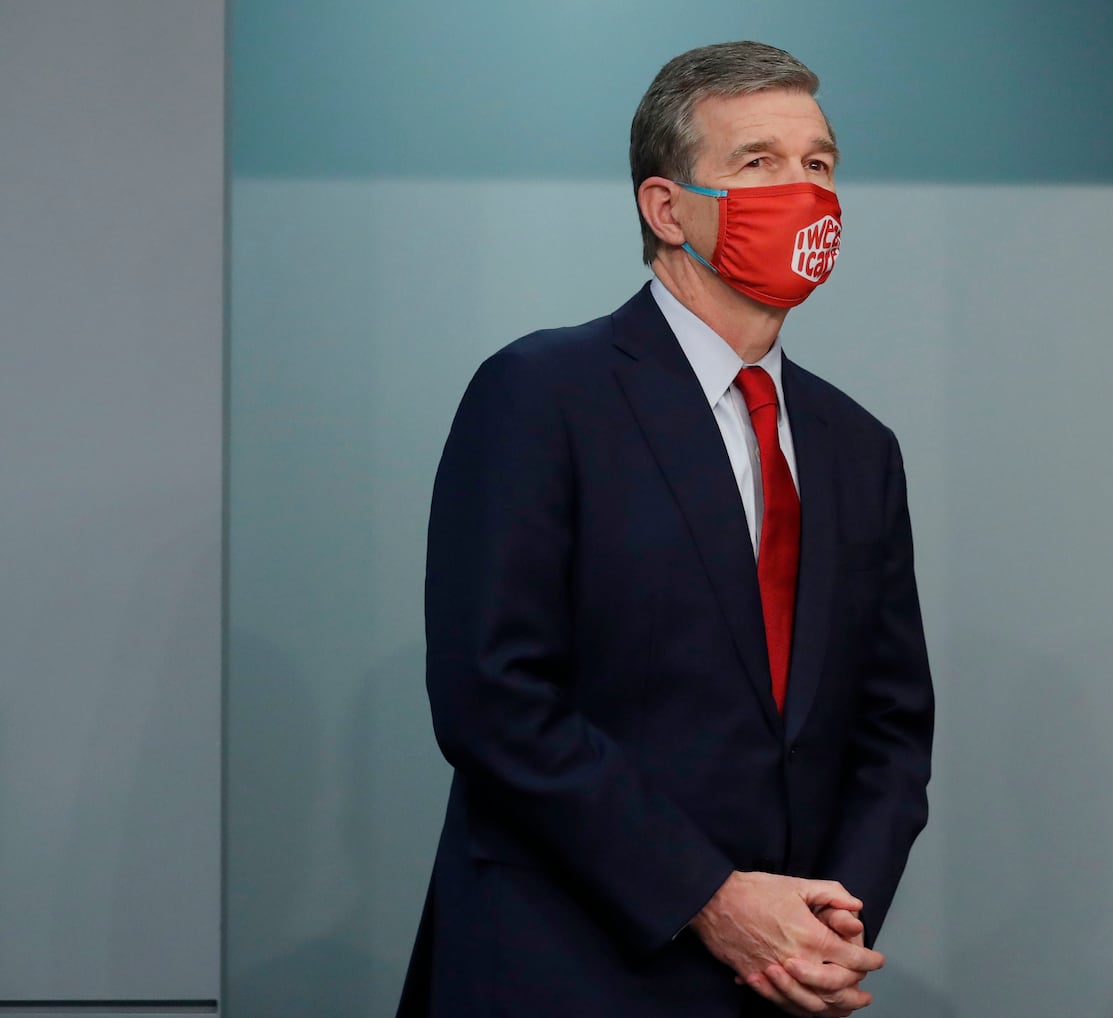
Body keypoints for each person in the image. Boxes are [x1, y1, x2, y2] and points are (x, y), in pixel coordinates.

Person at [397, 40, 935, 1018]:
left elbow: (892, 728)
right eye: (758, 162)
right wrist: (710, 898)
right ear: (665, 206)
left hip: (780, 986)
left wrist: (826, 926)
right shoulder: (543, 394)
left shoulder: (859, 445)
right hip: (568, 970)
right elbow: (493, 697)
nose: (803, 189)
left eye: (818, 163)